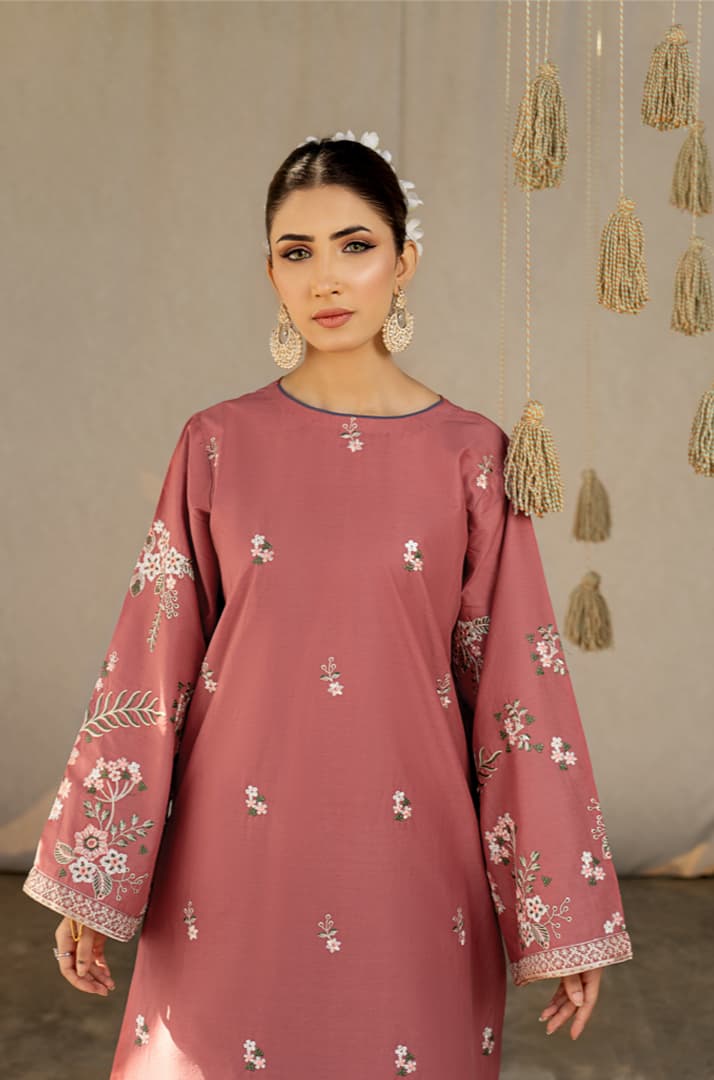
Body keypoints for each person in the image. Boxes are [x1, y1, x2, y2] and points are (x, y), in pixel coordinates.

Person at [23, 131, 634, 1078]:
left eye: (356, 245)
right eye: (297, 252)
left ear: (404, 262)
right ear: (270, 272)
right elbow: (151, 661)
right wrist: (92, 878)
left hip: (412, 869)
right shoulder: (216, 444)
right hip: (230, 862)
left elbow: (519, 690)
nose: (327, 278)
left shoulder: (472, 457)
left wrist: (563, 919)